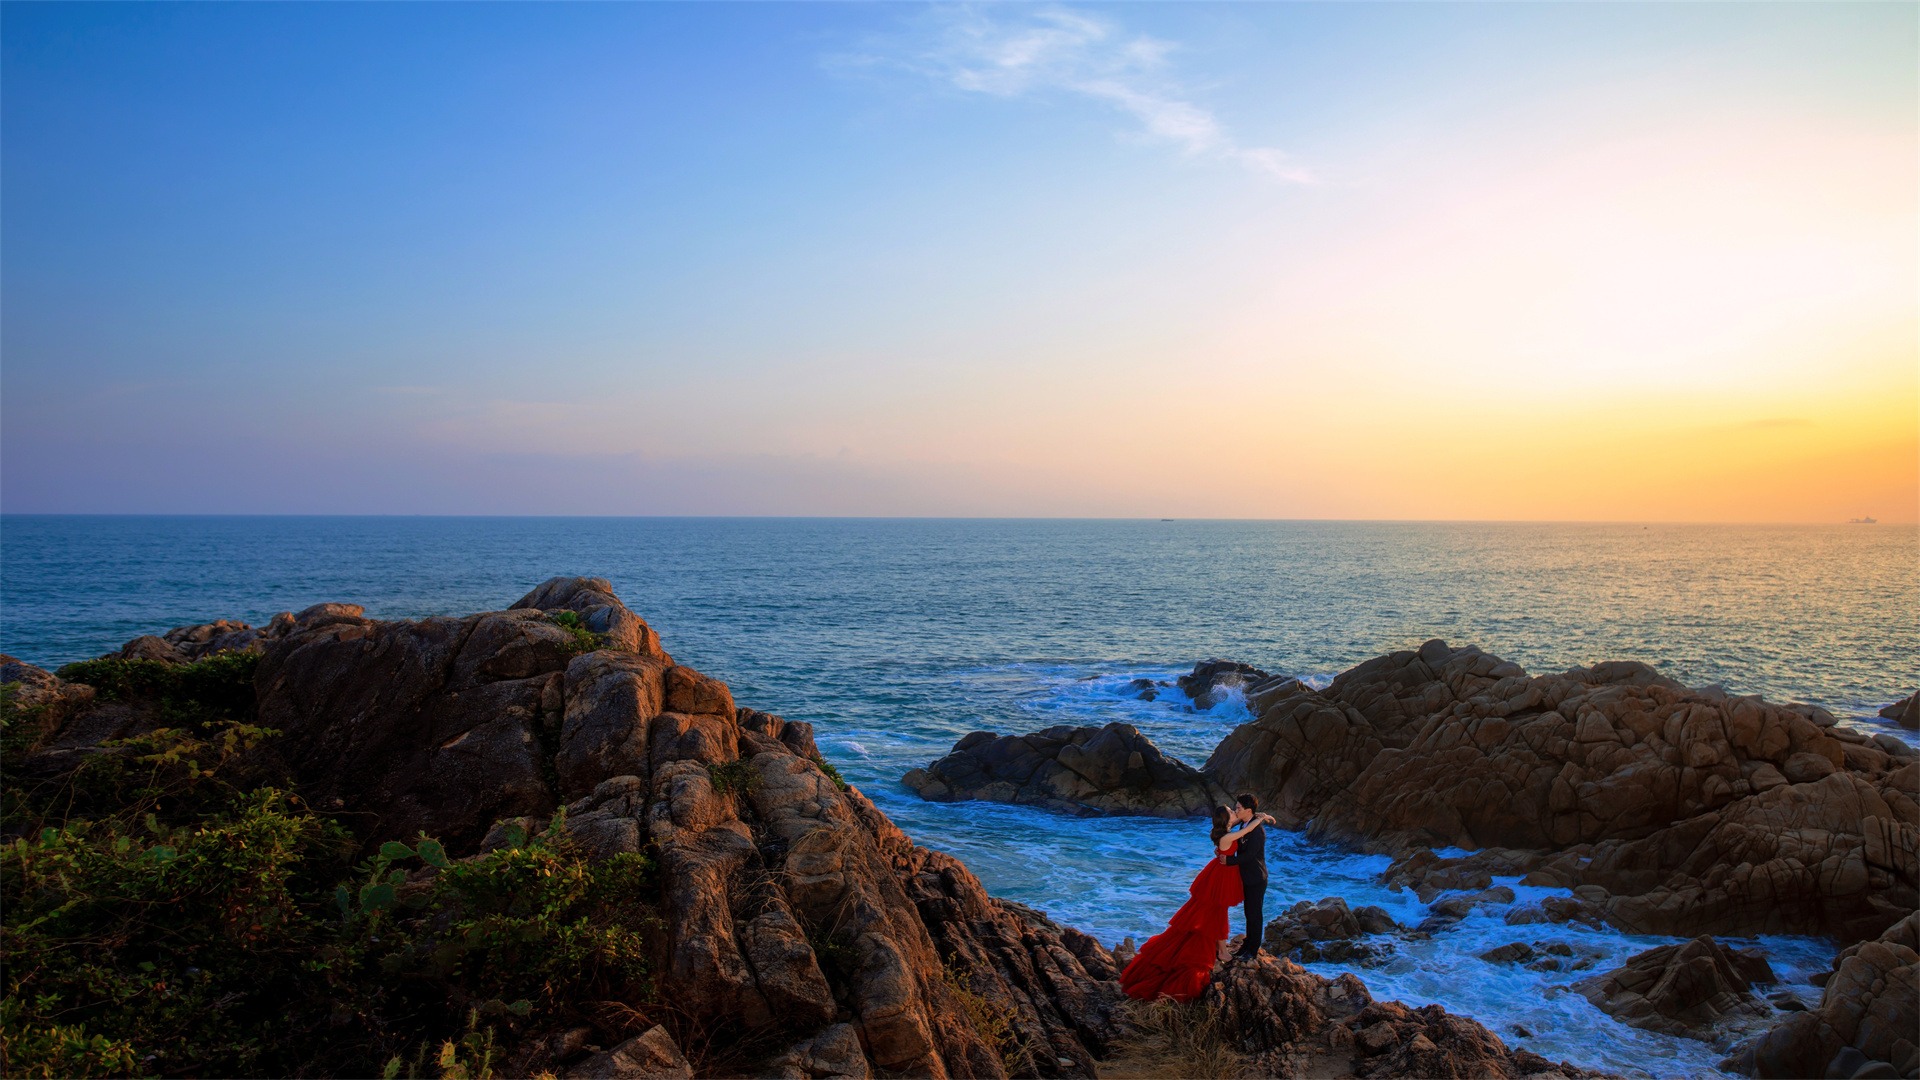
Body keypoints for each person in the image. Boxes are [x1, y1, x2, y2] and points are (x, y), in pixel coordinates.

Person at [1118, 804, 1268, 1002]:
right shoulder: (1226, 837)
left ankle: (1221, 949)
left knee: (1216, 911)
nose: (1235, 812)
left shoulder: (1227, 831)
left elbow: (1243, 821)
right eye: (1232, 811)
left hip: (1220, 876)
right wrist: (1262, 818)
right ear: (1226, 819)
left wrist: (1254, 815)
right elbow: (1248, 828)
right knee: (1217, 911)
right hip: (1220, 878)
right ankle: (1222, 951)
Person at [1222, 794, 1274, 958]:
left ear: (1248, 810)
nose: (1236, 810)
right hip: (1247, 877)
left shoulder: (1257, 831)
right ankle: (1247, 945)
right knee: (1248, 913)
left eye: (1238, 808)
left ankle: (1253, 950)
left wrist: (1229, 861)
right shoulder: (1246, 823)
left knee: (1254, 914)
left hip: (1256, 878)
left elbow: (1250, 855)